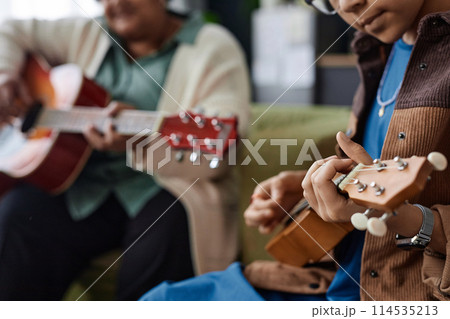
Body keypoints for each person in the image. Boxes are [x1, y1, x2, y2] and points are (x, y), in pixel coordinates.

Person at [140, 0, 450, 301]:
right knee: (160, 300)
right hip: (331, 282)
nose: (347, 5)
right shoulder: (379, 51)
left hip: (405, 296)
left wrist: (409, 220)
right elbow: (377, 171)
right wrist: (309, 190)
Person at [0, 0, 250, 300]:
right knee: (17, 214)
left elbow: (219, 153)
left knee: (164, 234)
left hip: (163, 187)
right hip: (83, 186)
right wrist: (5, 76)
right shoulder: (88, 31)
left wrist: (141, 141)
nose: (116, 3)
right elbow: (10, 30)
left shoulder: (212, 45)